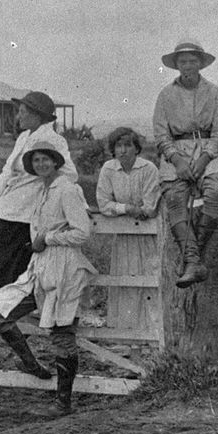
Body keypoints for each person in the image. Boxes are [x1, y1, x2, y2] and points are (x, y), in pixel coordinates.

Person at [0, 140, 96, 419]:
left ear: (56, 161)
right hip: (40, 269)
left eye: (46, 159)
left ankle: (62, 402)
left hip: (65, 269)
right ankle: (32, 365)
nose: (41, 164)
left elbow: (83, 232)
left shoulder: (67, 189)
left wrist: (47, 237)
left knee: (62, 336)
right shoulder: (43, 190)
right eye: (36, 161)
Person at [0, 91, 77, 300]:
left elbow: (70, 174)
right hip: (9, 197)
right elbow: (7, 170)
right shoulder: (23, 137)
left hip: (27, 202)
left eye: (22, 112)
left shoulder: (53, 139)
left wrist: (43, 180)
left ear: (37, 115)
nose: (18, 117)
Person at [152, 40, 218, 288]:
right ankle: (193, 261)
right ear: (176, 65)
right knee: (175, 198)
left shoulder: (215, 93)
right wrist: (176, 160)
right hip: (176, 152)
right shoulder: (166, 95)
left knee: (216, 191)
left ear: (200, 63)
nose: (188, 65)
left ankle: (193, 256)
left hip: (210, 151)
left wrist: (205, 158)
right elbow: (161, 134)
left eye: (192, 61)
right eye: (183, 61)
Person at [95, 126, 161, 327]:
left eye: (127, 145)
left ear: (136, 148)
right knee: (124, 278)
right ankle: (124, 329)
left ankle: (151, 330)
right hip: (123, 237)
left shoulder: (148, 169)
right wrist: (127, 208)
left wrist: (135, 210)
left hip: (147, 235)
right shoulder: (109, 169)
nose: (122, 150)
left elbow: (149, 208)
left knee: (149, 277)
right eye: (118, 146)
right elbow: (103, 204)